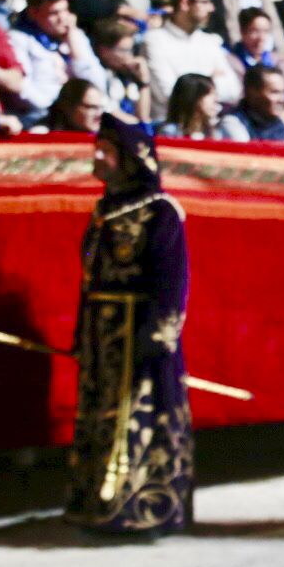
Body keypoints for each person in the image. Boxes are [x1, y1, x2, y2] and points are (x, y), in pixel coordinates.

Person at [67, 111, 194, 535]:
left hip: (139, 333)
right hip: (103, 335)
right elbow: (89, 280)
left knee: (137, 418)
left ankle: (141, 508)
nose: (96, 156)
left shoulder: (160, 212)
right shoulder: (102, 211)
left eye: (105, 149)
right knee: (99, 415)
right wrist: (81, 332)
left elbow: (171, 279)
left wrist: (159, 333)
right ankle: (95, 501)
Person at [8, 0, 107, 113]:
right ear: (33, 13)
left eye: (65, 10)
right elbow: (23, 88)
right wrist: (54, 109)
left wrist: (73, 43)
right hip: (41, 114)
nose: (63, 19)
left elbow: (98, 85)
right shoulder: (18, 39)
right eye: (54, 13)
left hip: (78, 114)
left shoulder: (75, 36)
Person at [143, 0, 237, 110]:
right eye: (204, 2)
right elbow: (169, 95)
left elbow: (233, 91)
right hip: (172, 127)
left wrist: (189, 84)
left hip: (211, 124)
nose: (211, 8)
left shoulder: (209, 41)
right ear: (185, 3)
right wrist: (212, 79)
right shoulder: (154, 41)